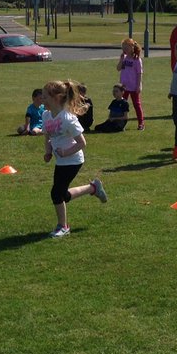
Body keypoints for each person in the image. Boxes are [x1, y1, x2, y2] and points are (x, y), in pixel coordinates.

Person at [41, 79, 107, 238]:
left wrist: (66, 152)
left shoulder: (67, 118)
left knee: (56, 193)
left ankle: (63, 226)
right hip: (61, 160)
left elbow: (82, 143)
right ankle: (93, 188)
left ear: (56, 98)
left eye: (45, 97)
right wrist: (48, 151)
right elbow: (48, 137)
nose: (42, 100)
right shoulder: (46, 115)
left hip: (73, 160)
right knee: (61, 194)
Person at [117, 37, 145, 130]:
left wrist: (139, 85)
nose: (124, 49)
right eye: (123, 48)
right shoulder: (124, 58)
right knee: (122, 105)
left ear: (132, 47)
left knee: (136, 104)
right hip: (123, 87)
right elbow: (118, 68)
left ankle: (141, 123)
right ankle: (121, 123)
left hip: (133, 86)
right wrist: (121, 59)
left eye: (126, 47)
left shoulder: (137, 60)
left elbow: (139, 73)